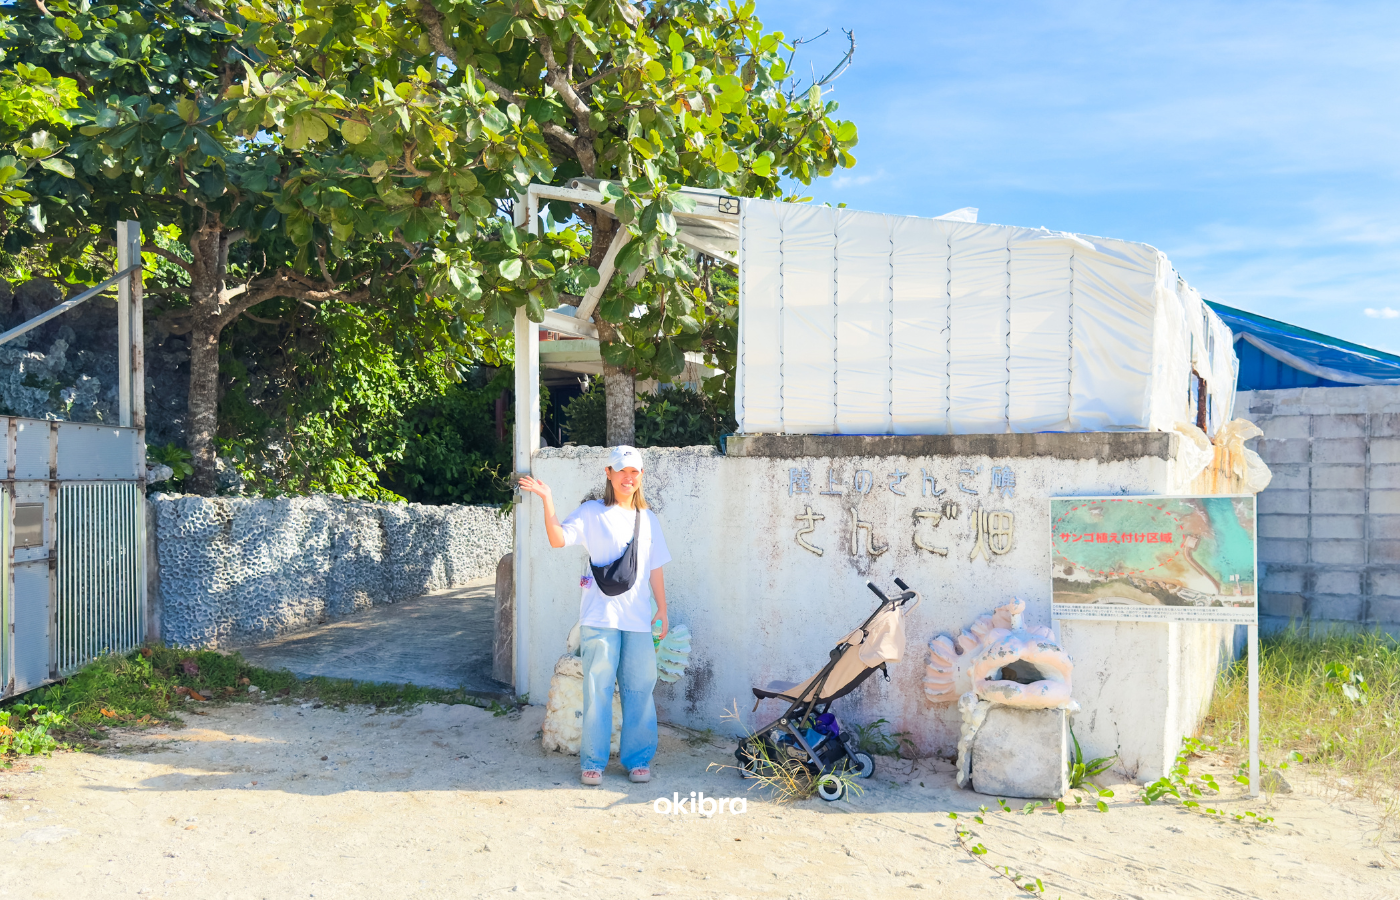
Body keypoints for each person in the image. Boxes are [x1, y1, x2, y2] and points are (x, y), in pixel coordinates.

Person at [517, 446, 671, 786]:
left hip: (637, 620)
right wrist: (547, 499)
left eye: (634, 471)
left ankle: (638, 760)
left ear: (641, 475)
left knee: (639, 691)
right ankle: (593, 762)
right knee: (597, 690)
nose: (628, 477)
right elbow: (558, 539)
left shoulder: (648, 519)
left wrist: (662, 608)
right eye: (621, 471)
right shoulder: (592, 512)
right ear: (609, 474)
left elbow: (655, 567)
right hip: (599, 618)